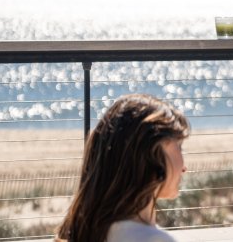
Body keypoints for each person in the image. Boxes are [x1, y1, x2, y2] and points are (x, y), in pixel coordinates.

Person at [55, 94, 190, 242]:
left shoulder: (88, 230)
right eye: (179, 147)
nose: (184, 167)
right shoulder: (151, 239)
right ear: (153, 153)